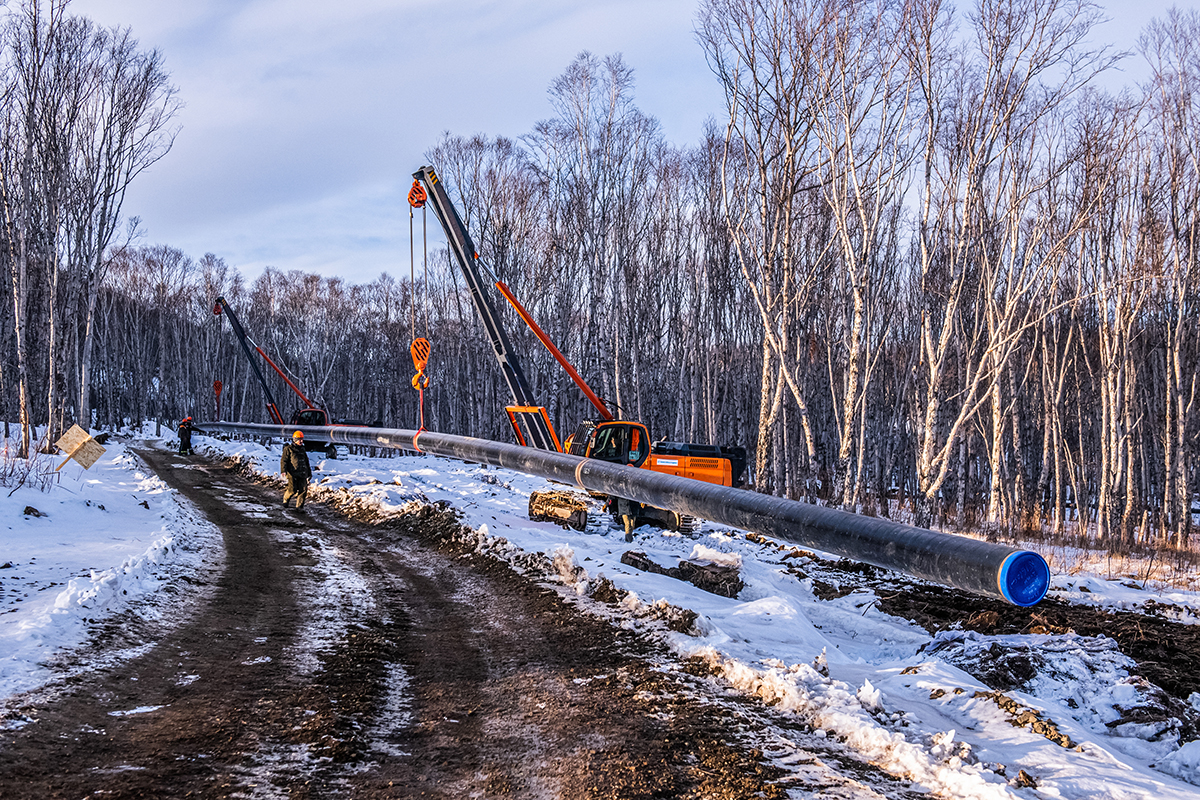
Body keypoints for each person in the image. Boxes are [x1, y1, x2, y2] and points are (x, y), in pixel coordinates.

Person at [281, 430, 312, 510]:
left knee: (303, 490)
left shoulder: (302, 450)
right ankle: (286, 499)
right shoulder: (288, 449)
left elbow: (306, 461)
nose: (301, 441)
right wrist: (283, 471)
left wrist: (309, 473)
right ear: (295, 440)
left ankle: (299, 507)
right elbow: (284, 460)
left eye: (302, 439)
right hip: (292, 473)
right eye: (299, 439)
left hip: (302, 473)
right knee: (292, 490)